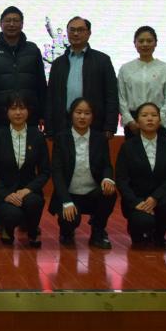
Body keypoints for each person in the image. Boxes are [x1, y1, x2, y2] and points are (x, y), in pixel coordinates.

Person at [49, 97, 117, 249]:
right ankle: (66, 232)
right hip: (69, 195)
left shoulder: (100, 139)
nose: (82, 117)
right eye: (78, 112)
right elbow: (57, 173)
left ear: (92, 116)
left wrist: (108, 178)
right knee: (69, 221)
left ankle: (98, 232)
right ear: (71, 114)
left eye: (87, 113)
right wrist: (66, 201)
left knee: (109, 193)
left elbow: (107, 165)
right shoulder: (61, 138)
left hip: (92, 194)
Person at [114, 102, 166, 250]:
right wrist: (135, 201)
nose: (150, 119)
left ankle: (159, 235)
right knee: (143, 222)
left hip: (160, 198)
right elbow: (121, 179)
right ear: (137, 121)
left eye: (154, 115)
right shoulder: (128, 147)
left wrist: (155, 198)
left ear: (160, 120)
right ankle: (136, 232)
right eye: (144, 115)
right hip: (137, 200)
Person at [0, 94, 50, 247]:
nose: (18, 112)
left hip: (29, 191)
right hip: (5, 192)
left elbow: (45, 172)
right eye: (13, 108)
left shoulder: (37, 136)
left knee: (34, 202)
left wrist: (27, 190)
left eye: (22, 108)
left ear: (29, 111)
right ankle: (7, 230)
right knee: (12, 214)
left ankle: (32, 231)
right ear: (7, 111)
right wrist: (6, 194)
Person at [45, 16, 119, 138]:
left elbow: (111, 95)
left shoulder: (102, 60)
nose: (76, 33)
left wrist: (110, 126)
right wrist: (49, 127)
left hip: (94, 125)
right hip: (63, 125)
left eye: (80, 30)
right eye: (72, 30)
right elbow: (50, 97)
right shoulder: (58, 63)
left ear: (89, 33)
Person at [0, 6, 47, 131]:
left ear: (22, 24)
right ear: (1, 24)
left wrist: (43, 113)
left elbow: (41, 84)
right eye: (8, 20)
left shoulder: (33, 50)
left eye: (15, 20)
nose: (11, 24)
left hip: (29, 115)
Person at [117, 26, 166, 138]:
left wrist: (159, 118)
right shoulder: (125, 69)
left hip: (157, 121)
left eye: (149, 41)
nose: (145, 44)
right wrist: (130, 121)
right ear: (135, 43)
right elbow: (121, 97)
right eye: (141, 41)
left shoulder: (165, 68)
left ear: (155, 43)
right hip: (133, 122)